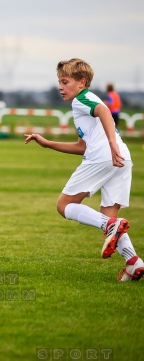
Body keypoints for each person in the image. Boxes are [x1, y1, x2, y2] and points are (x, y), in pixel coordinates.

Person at [25, 58, 142, 281]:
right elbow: (82, 146)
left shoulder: (82, 99)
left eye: (65, 81)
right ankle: (134, 263)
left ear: (82, 82)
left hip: (105, 156)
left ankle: (111, 226)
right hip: (121, 159)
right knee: (107, 218)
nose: (60, 86)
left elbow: (105, 112)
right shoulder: (84, 102)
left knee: (64, 205)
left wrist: (111, 144)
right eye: (59, 81)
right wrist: (48, 143)